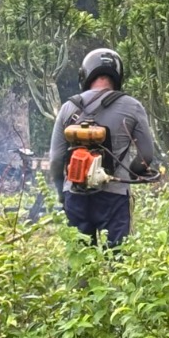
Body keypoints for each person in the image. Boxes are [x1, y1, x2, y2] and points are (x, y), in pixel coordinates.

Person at [48, 47, 158, 248]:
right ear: (118, 76)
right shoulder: (132, 106)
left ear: (85, 74)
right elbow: (146, 154)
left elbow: (55, 159)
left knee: (81, 263)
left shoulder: (68, 108)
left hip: (75, 196)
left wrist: (62, 194)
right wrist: (133, 173)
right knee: (118, 262)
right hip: (114, 198)